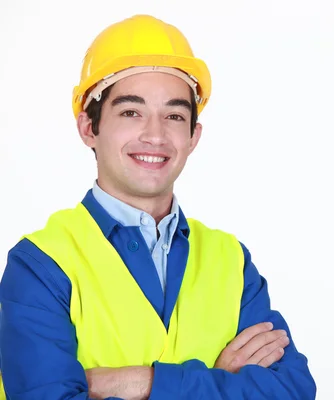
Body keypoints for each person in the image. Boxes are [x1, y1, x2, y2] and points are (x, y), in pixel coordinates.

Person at [0, 14, 316, 400]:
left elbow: (292, 390)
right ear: (89, 128)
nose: (155, 134)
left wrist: (142, 382)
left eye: (174, 116)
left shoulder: (230, 260)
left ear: (193, 136)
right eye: (131, 112)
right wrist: (217, 382)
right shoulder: (40, 265)